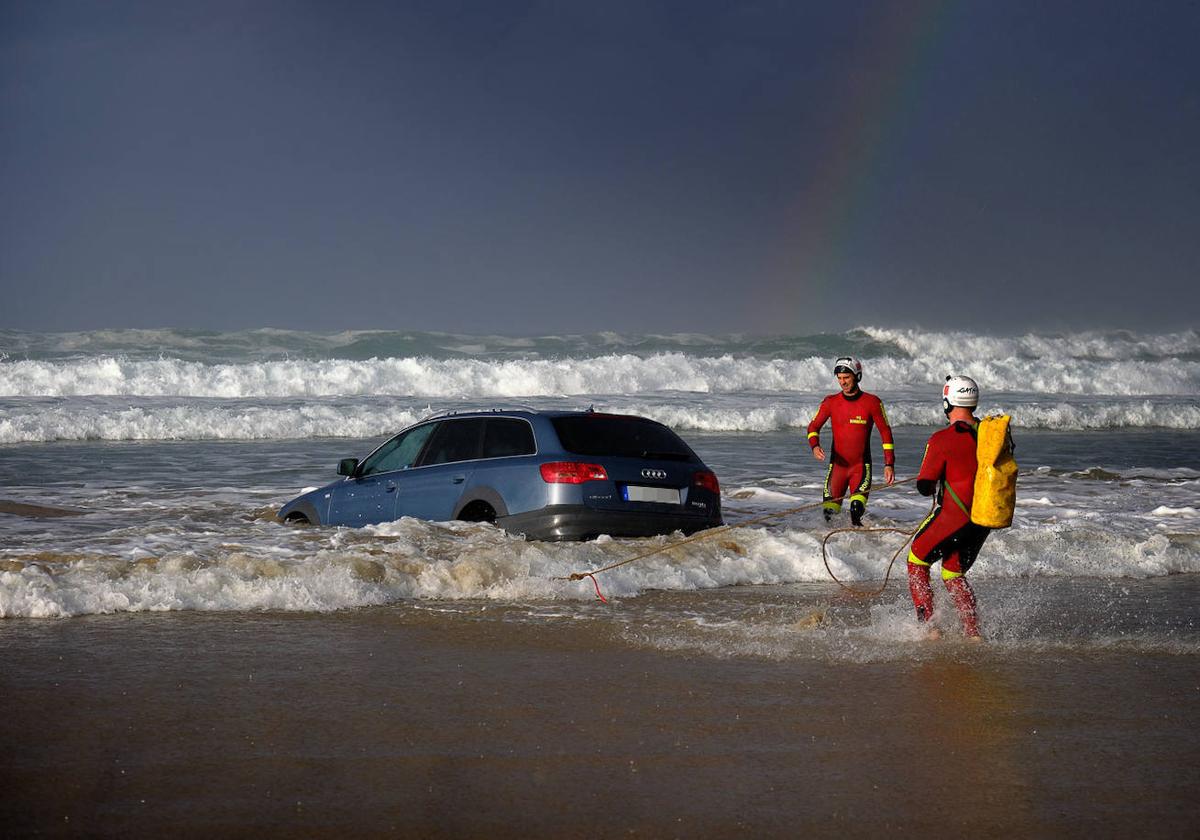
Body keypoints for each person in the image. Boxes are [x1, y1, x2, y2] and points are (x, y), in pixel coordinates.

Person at [906, 374, 990, 639]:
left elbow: (925, 486)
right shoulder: (992, 435)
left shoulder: (942, 438)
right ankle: (973, 633)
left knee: (916, 560)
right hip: (983, 519)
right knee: (953, 570)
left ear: (947, 401)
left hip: (955, 516)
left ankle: (929, 629)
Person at [806, 356, 895, 526]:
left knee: (856, 512)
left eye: (846, 377)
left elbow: (885, 432)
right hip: (837, 468)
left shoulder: (872, 402)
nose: (842, 382)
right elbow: (812, 427)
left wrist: (889, 463)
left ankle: (862, 546)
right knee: (829, 516)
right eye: (839, 378)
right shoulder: (830, 402)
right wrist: (815, 446)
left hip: (860, 468)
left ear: (857, 376)